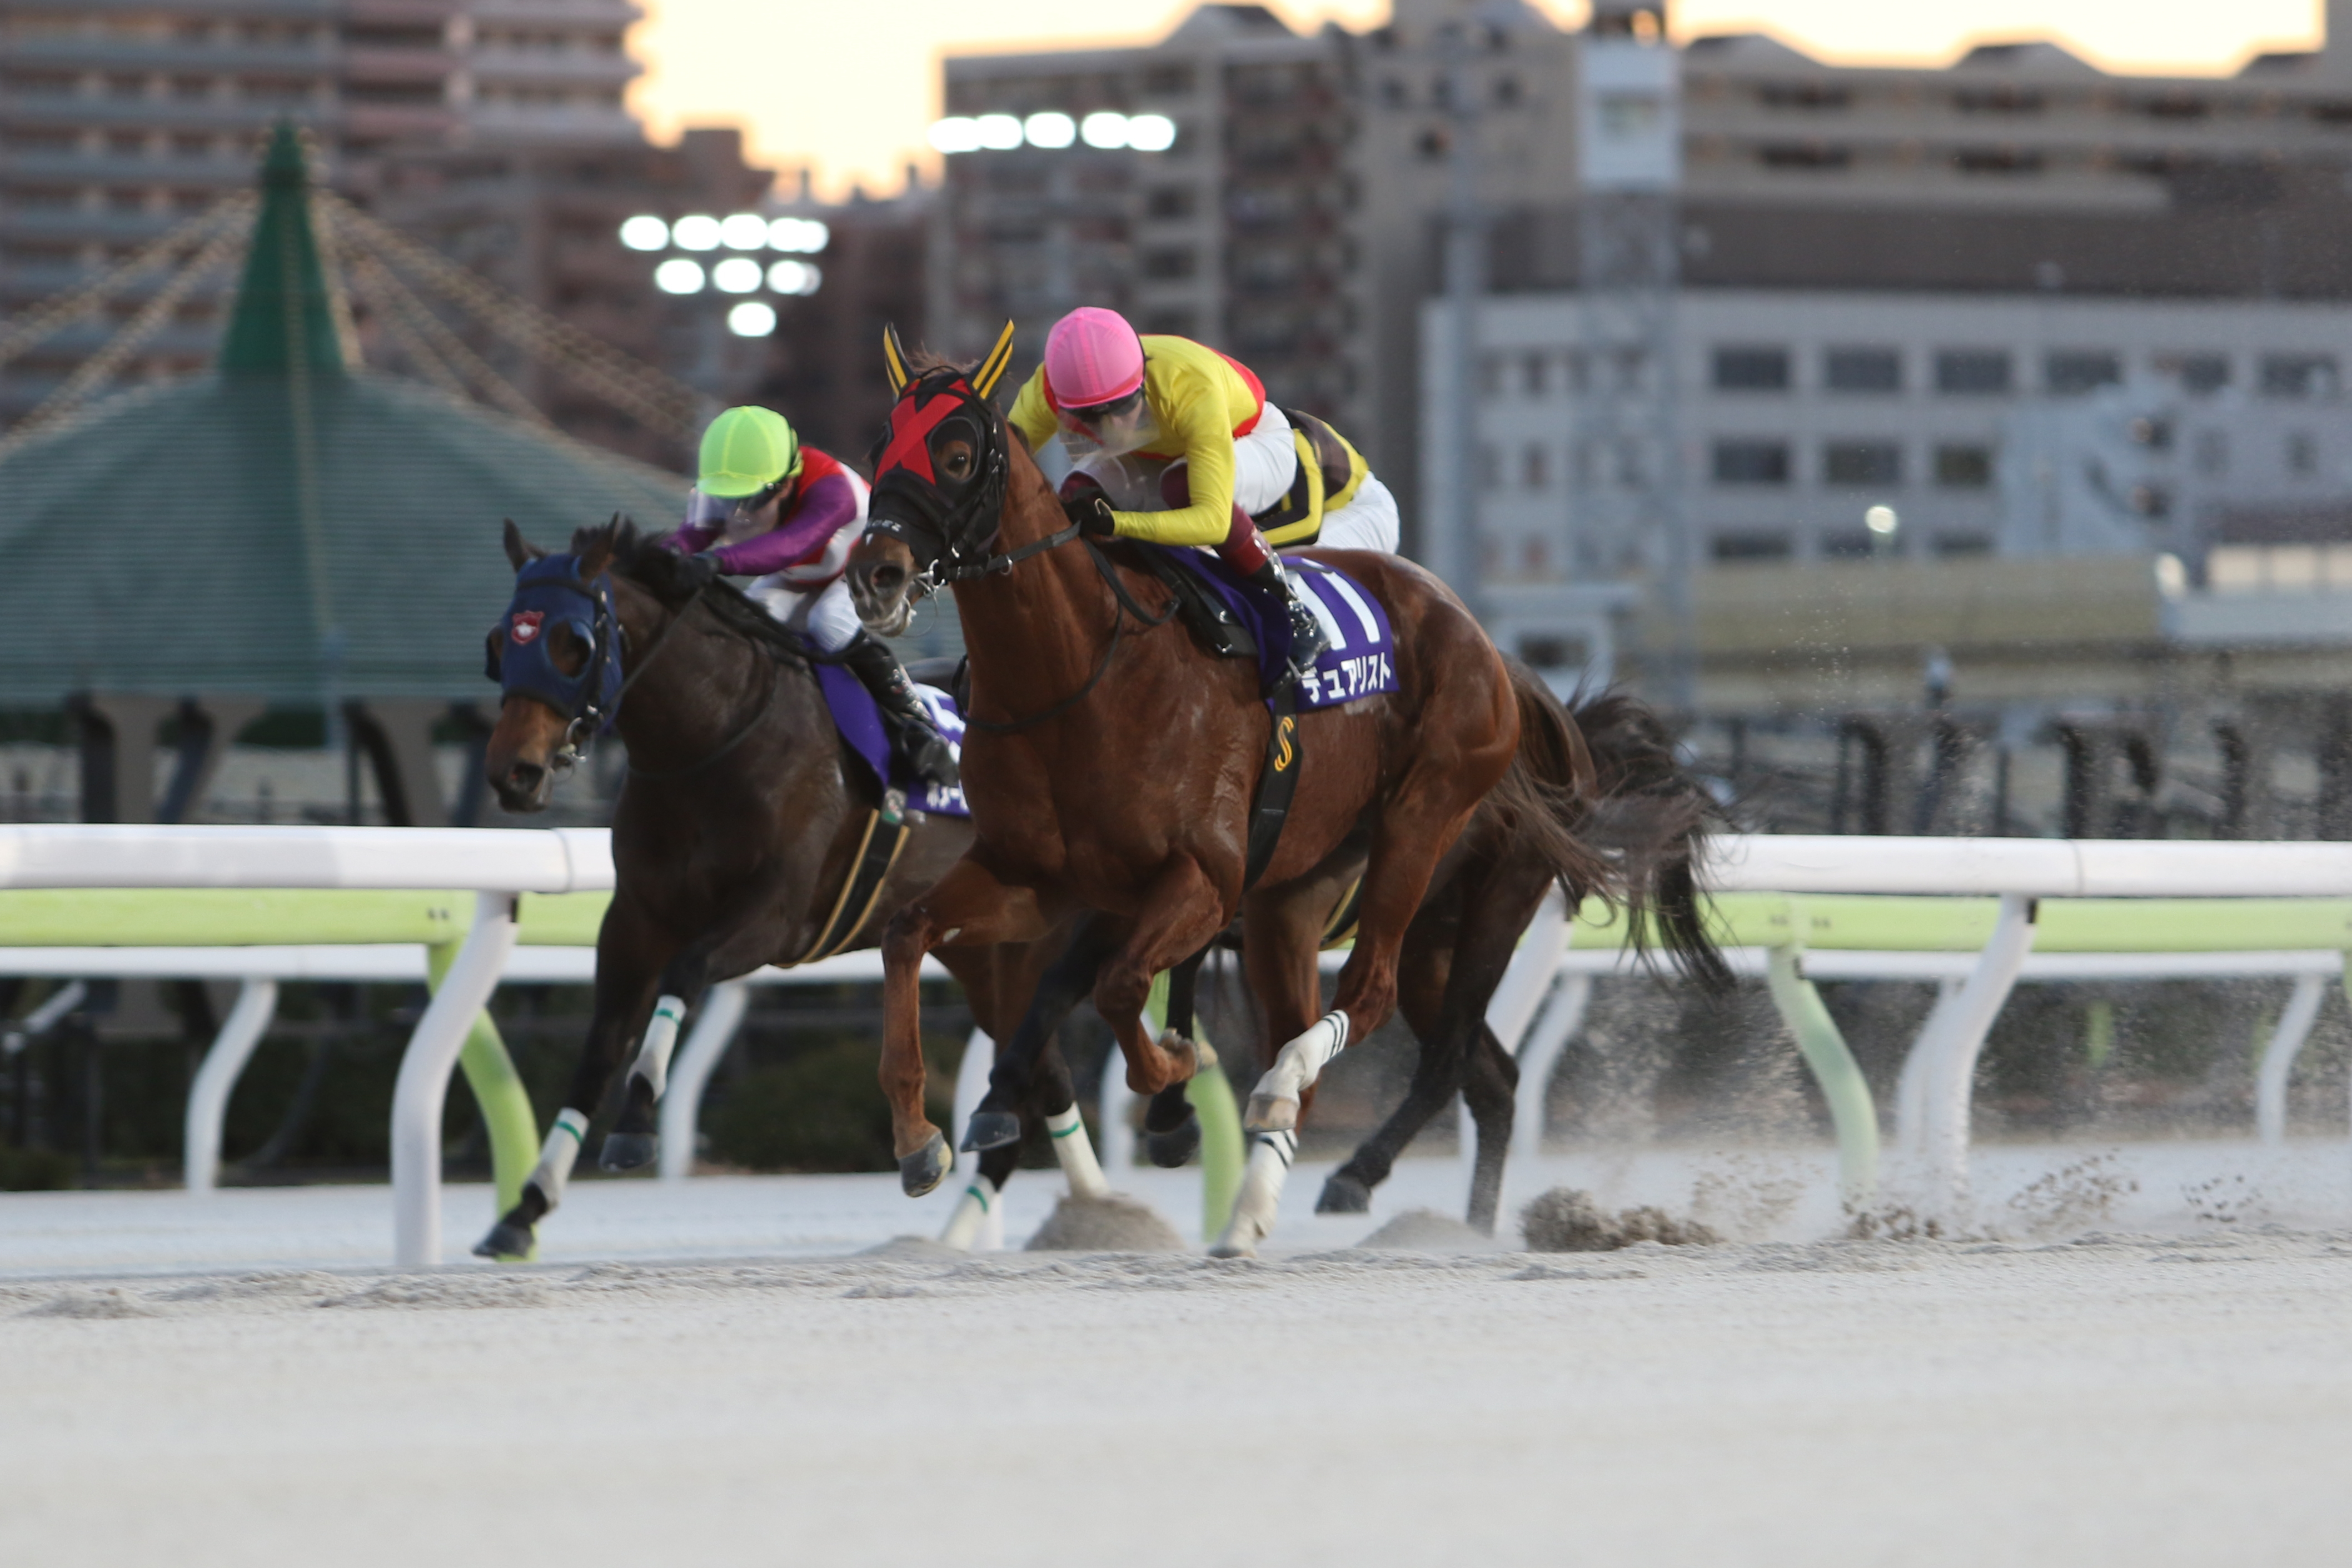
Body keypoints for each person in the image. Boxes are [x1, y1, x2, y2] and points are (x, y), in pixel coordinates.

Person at [1005, 307, 1402, 679]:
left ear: (1141, 383)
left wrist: (1118, 522)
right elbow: (1003, 478)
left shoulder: (1190, 385)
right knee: (1079, 494)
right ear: (1060, 400)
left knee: (1182, 488)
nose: (1110, 428)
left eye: (1121, 408)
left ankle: (1293, 612)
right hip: (1169, 452)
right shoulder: (1045, 392)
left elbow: (1213, 521)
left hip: (1273, 452)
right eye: (1091, 418)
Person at [665, 405, 957, 789]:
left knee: (830, 624)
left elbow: (790, 545)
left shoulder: (833, 491)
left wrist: (715, 561)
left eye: (748, 500)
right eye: (725, 498)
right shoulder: (742, 486)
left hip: (862, 569)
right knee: (752, 615)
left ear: (786, 484)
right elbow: (688, 538)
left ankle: (916, 725)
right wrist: (652, 561)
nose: (736, 513)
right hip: (805, 573)